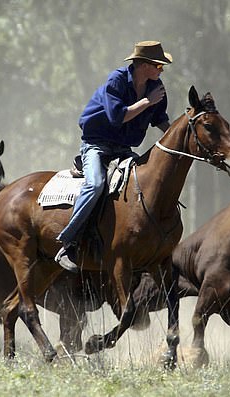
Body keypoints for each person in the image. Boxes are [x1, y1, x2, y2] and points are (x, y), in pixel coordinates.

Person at [55, 40, 173, 272]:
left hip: (123, 149)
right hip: (96, 146)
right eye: (158, 66)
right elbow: (118, 117)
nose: (161, 71)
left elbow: (160, 120)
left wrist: (175, 137)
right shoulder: (117, 80)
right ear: (143, 65)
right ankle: (67, 243)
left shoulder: (155, 87)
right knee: (96, 184)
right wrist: (147, 102)